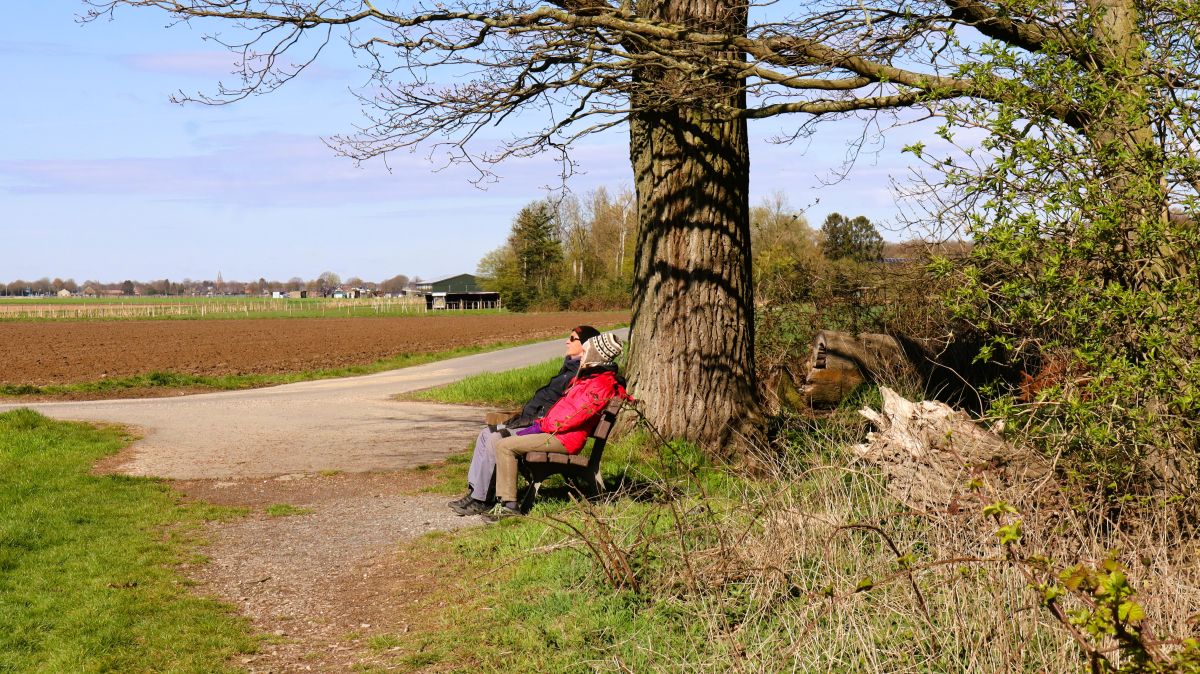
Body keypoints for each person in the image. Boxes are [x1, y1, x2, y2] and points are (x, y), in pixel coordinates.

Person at [448, 325, 601, 515]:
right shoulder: (570, 367)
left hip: (543, 427)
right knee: (485, 433)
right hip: (534, 422)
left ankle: (483, 499)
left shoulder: (581, 375)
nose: (566, 341)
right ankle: (475, 493)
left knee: (496, 439)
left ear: (586, 345)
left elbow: (564, 410)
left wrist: (534, 421)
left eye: (572, 338)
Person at [484, 331, 627, 520]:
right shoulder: (591, 380)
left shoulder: (598, 385)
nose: (581, 356)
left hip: (565, 439)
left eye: (585, 352)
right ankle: (504, 501)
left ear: (595, 355)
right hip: (560, 435)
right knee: (504, 442)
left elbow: (570, 417)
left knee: (504, 445)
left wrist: (541, 425)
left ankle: (509, 505)